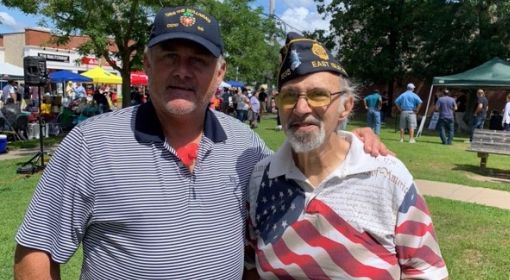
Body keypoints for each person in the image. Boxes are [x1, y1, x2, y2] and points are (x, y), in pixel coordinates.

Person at [14, 6, 388, 279]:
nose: (182, 70)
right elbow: (37, 251)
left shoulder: (248, 148)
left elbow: (305, 174)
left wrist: (346, 139)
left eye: (198, 60)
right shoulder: (91, 144)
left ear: (219, 73)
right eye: (169, 56)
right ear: (147, 62)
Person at [247, 35, 448, 279]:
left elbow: (425, 271)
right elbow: (250, 266)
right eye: (290, 97)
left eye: (318, 95)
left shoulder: (387, 176)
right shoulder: (261, 178)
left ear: (346, 106)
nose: (301, 109)